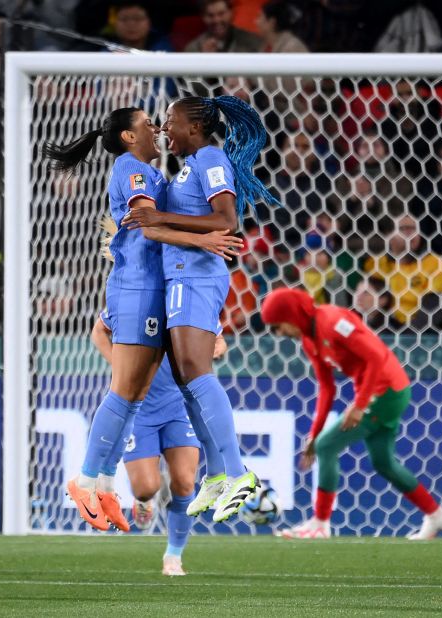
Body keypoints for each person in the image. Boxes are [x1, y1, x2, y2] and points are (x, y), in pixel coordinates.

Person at [45, 106, 241, 530]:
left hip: (157, 289)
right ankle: (84, 480)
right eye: (147, 124)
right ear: (129, 137)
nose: (156, 128)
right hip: (136, 288)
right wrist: (202, 239)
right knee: (124, 391)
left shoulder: (154, 175)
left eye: (160, 122)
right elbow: (149, 228)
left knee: (135, 394)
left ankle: (104, 483)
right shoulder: (129, 168)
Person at [123, 95, 279, 522]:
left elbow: (225, 219)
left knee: (196, 370)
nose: (164, 129)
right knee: (184, 374)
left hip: (197, 277)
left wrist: (160, 222)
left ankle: (237, 473)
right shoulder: (191, 163)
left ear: (193, 127)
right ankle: (215, 475)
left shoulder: (210, 157)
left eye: (169, 122)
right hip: (180, 276)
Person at [260, 287, 442, 541]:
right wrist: (313, 435)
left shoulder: (333, 321)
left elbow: (375, 357)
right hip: (378, 392)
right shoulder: (309, 340)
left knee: (328, 447)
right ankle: (437, 515)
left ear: (292, 314)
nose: (279, 333)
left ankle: (320, 523)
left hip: (387, 391)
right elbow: (327, 389)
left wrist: (360, 405)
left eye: (279, 325)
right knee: (383, 463)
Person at [91, 313, 220, 576]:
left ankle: (173, 556)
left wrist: (211, 350)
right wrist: (121, 368)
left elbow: (219, 339)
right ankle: (147, 498)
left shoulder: (186, 299)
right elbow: (98, 332)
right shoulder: (134, 295)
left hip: (179, 406)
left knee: (185, 482)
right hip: (140, 409)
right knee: (145, 488)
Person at [185, 0, 261, 53]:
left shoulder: (254, 43)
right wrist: (203, 61)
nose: (217, 20)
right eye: (210, 15)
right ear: (203, 17)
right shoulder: (192, 49)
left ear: (231, 12)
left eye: (221, 14)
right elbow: (186, 76)